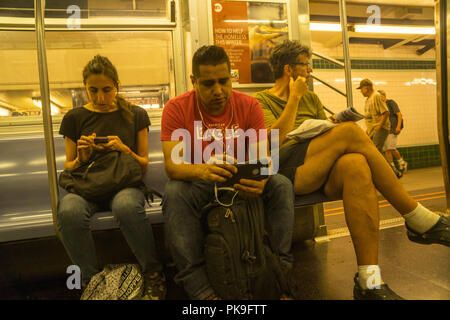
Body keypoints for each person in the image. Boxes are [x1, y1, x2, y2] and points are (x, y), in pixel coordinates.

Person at [254, 40, 450, 300]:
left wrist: (330, 124)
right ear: (289, 70)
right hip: (288, 172)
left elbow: (317, 131)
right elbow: (274, 142)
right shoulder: (260, 101)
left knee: (356, 164)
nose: (310, 70)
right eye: (305, 65)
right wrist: (295, 98)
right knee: (348, 132)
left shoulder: (312, 97)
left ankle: (368, 281)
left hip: (317, 166)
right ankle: (418, 218)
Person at [160, 45, 295, 300]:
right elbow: (172, 166)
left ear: (231, 76)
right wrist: (202, 170)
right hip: (201, 182)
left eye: (224, 81)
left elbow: (262, 160)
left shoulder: (249, 105)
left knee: (281, 185)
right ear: (194, 81)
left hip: (240, 179)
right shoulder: (177, 108)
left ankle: (281, 275)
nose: (218, 91)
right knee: (174, 193)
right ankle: (199, 287)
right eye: (208, 84)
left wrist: (262, 179)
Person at [57, 55, 166, 299]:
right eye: (92, 91)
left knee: (126, 206)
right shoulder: (74, 118)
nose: (100, 98)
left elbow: (143, 164)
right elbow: (70, 166)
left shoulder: (135, 115)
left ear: (117, 85)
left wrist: (123, 148)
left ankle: (153, 273)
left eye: (107, 90)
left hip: (124, 184)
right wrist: (84, 157)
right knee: (68, 210)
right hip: (87, 186)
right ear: (85, 88)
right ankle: (92, 282)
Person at [378, 90, 408, 177]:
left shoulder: (390, 102)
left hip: (392, 129)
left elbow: (399, 114)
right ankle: (392, 167)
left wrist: (398, 127)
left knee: (391, 148)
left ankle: (402, 163)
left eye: (380, 97)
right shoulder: (381, 106)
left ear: (384, 96)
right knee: (387, 149)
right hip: (385, 130)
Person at [357, 78, 390, 153]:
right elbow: (370, 117)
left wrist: (379, 127)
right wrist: (368, 130)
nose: (361, 91)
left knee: (376, 152)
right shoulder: (369, 99)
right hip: (372, 130)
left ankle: (386, 165)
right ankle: (387, 165)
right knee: (377, 153)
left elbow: (385, 112)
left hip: (380, 128)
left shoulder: (376, 96)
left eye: (361, 89)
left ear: (366, 88)